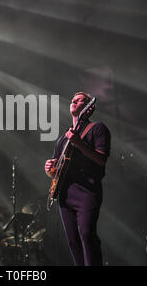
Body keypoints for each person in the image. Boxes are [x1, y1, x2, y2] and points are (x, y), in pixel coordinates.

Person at [44, 92, 111, 266]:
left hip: (88, 191)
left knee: (87, 234)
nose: (74, 101)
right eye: (73, 99)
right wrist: (49, 169)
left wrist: (79, 143)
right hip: (66, 195)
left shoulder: (97, 128)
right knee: (73, 242)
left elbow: (102, 159)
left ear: (90, 107)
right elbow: (56, 171)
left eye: (80, 99)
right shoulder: (62, 139)